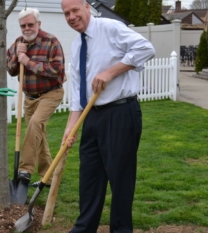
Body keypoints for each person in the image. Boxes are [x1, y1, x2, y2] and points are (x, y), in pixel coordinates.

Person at [60, 0, 155, 232]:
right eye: (66, 14)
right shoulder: (76, 45)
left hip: (121, 113)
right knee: (89, 178)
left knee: (120, 179)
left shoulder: (110, 28)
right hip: (92, 117)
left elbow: (146, 48)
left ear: (86, 7)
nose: (71, 17)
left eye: (74, 10)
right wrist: (70, 127)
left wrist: (111, 72)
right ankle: (84, 228)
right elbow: (78, 92)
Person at [6, 8, 65, 187]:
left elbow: (56, 71)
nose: (27, 28)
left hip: (51, 93)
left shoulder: (51, 41)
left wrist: (27, 61)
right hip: (29, 97)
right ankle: (48, 177)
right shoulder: (18, 42)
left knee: (34, 125)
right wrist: (17, 56)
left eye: (30, 24)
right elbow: (10, 70)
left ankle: (25, 169)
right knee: (38, 135)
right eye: (23, 25)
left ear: (39, 24)